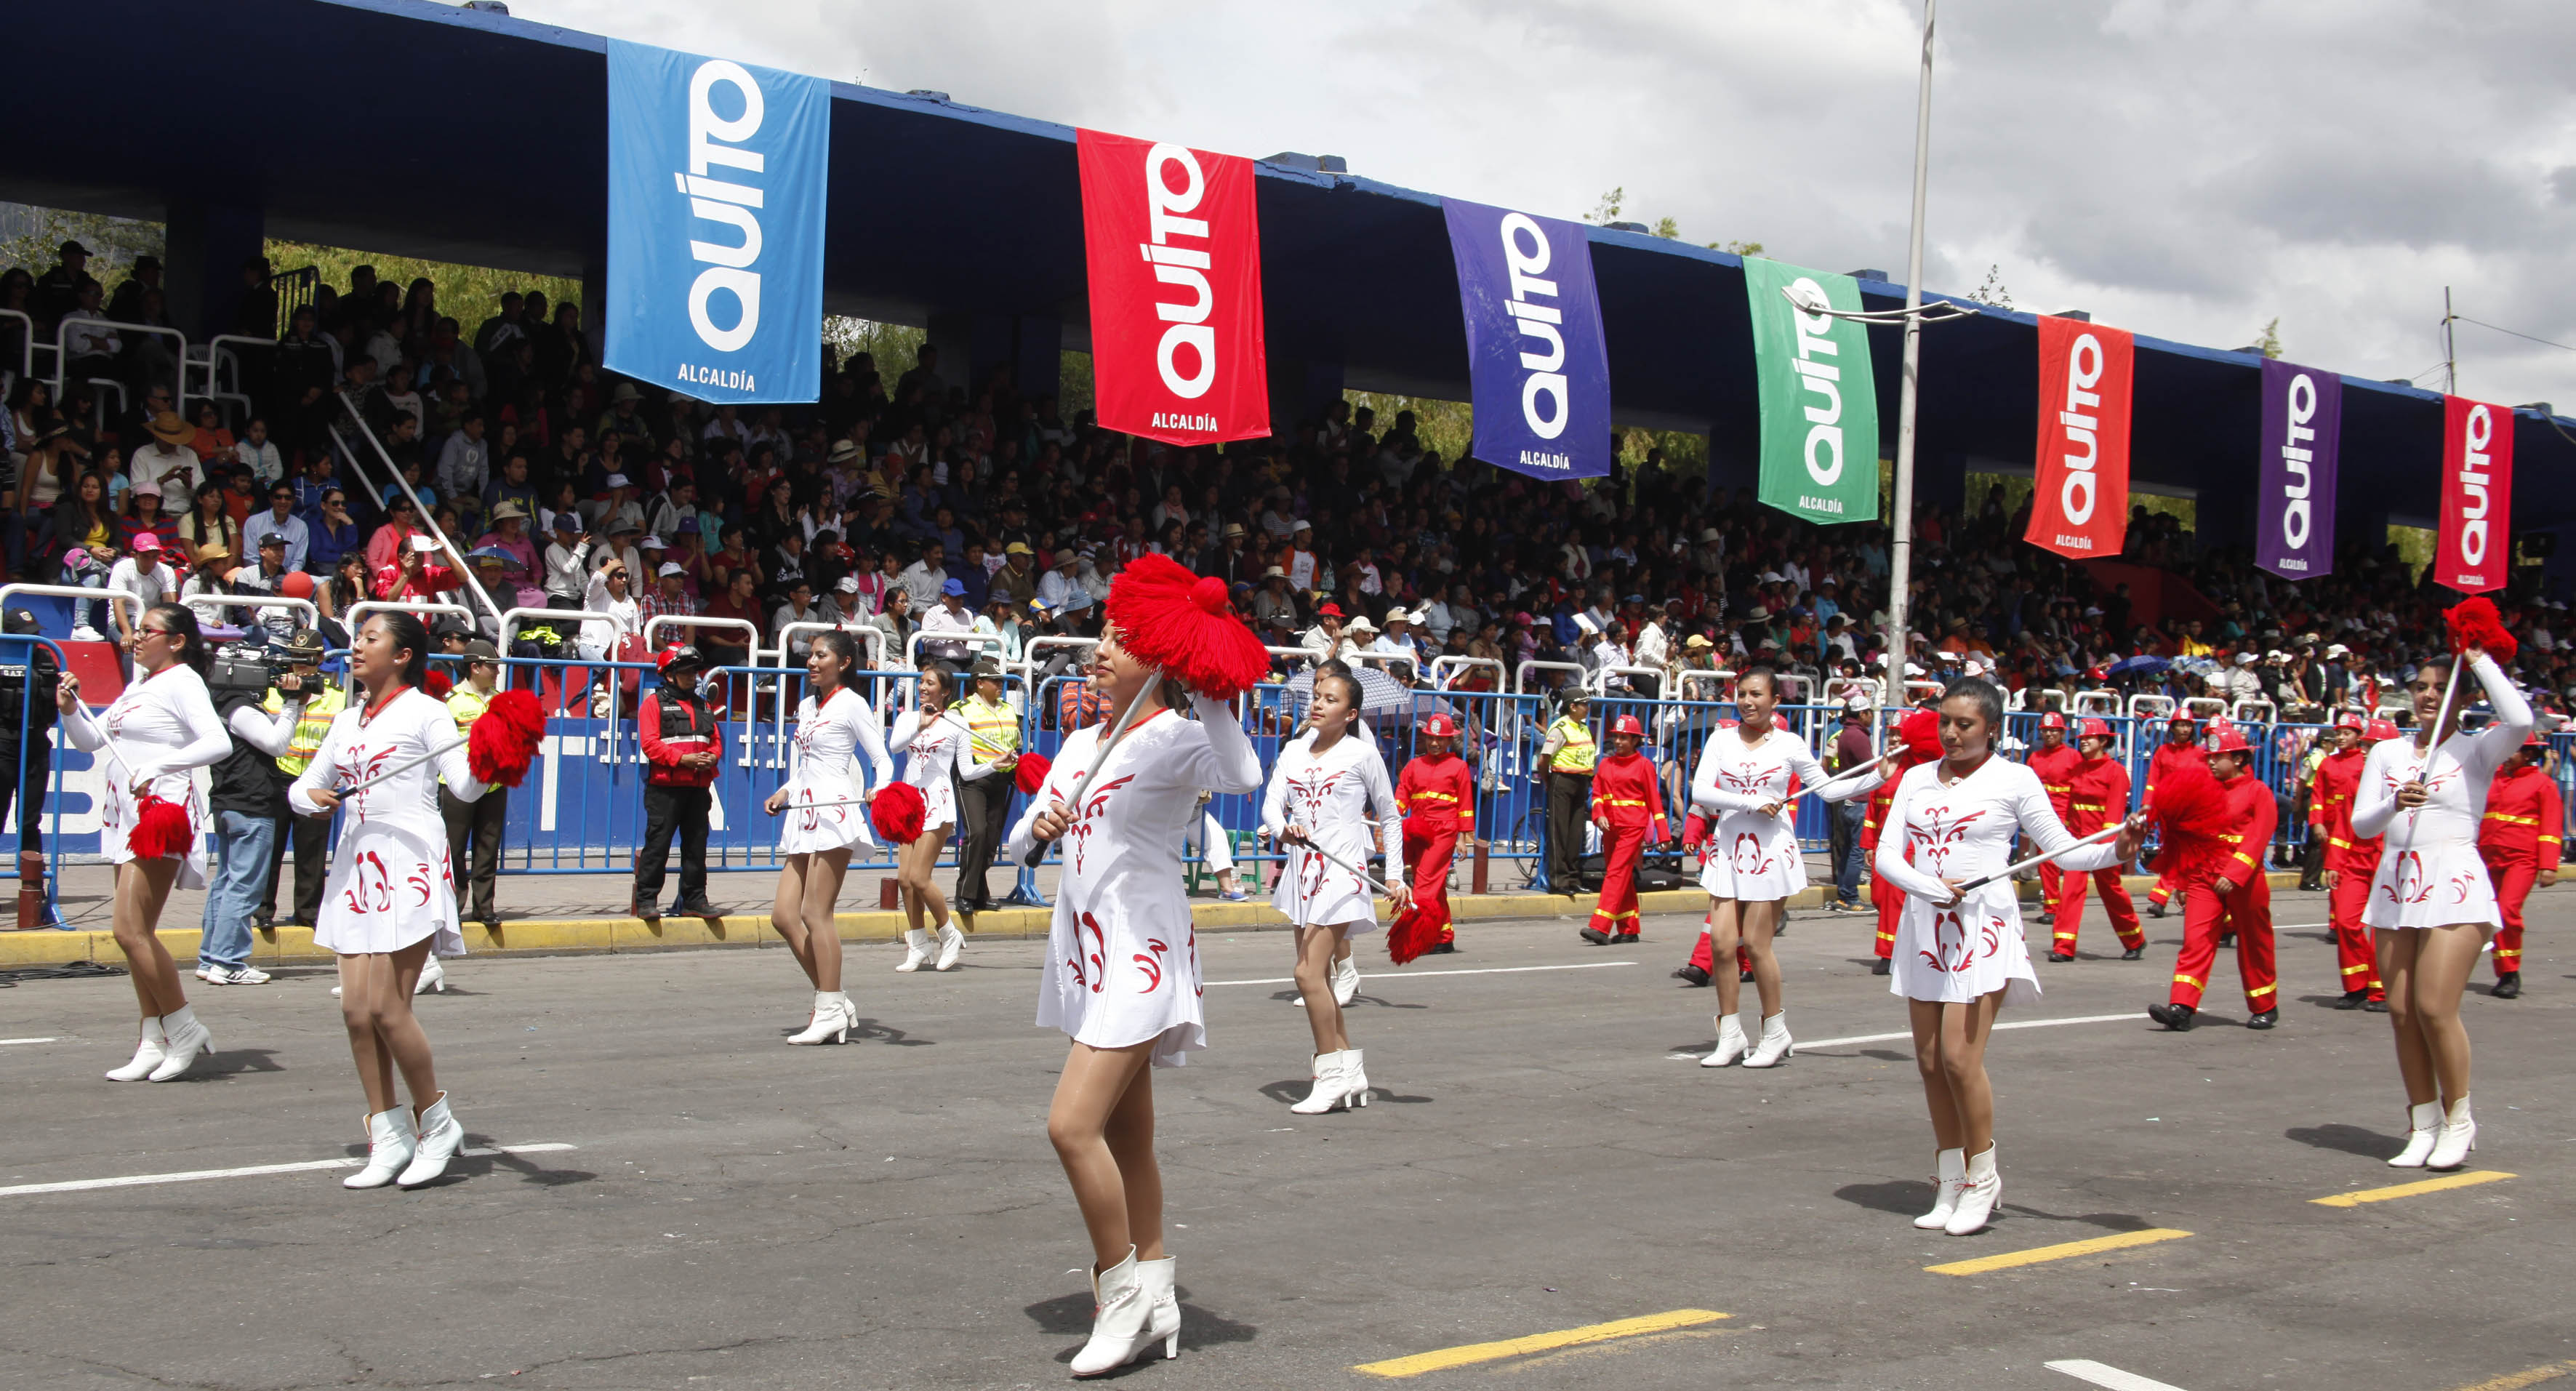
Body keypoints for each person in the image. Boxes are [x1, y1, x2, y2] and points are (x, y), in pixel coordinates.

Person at [1006, 627, 1261, 1376]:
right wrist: (1040, 824)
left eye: (1123, 641)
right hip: (1086, 950)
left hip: (1141, 951)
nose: (1102, 650)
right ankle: (1158, 1288)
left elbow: (1243, 772)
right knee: (1129, 1138)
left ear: (1161, 658)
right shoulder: (1083, 740)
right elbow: (1022, 842)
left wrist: (1214, 693)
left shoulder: (1179, 737)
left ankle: (1118, 1292)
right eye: (1101, 639)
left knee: (1069, 1125)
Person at [1874, 677, 2148, 1235]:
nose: (1950, 733)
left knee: (1958, 1058)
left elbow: (2066, 851)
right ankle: (1949, 1177)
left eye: (1964, 724)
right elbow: (1885, 855)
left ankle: (1983, 1174)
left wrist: (2118, 848)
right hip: (1926, 925)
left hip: (1983, 927)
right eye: (1945, 722)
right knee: (1927, 1062)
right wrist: (1928, 886)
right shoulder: (1915, 779)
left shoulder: (2015, 779)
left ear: (1992, 729)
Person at [291, 612, 495, 1189]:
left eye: (370, 638)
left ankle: (438, 1121)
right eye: (358, 637)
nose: (356, 646)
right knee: (355, 1010)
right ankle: (389, 1132)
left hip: (408, 862)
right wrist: (313, 796)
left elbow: (464, 786)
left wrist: (490, 752)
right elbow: (301, 784)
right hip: (356, 864)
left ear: (403, 654)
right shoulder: (348, 718)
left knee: (387, 1007)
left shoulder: (427, 712)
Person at [2351, 644, 2529, 1170]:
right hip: (2395, 882)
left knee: (2433, 1006)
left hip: (2453, 878)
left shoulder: (2476, 749)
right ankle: (2422, 1122)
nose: (2428, 695)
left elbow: (2519, 717)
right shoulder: (2386, 753)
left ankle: (2459, 1119)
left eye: (2438, 687)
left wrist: (2475, 658)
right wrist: (2393, 801)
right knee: (2402, 1012)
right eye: (2420, 687)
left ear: (2459, 698)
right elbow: (2362, 824)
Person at [57, 603, 233, 1082]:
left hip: (158, 817)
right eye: (136, 629)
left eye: (148, 630)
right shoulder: (140, 684)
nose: (137, 637)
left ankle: (183, 1024)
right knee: (138, 935)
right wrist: (72, 709)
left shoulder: (183, 681)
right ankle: (152, 1038)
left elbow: (218, 742)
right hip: (123, 817)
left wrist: (160, 766)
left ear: (175, 640)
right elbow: (91, 742)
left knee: (128, 930)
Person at [1692, 666, 1887, 1069]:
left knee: (1757, 943)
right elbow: (1701, 791)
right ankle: (1730, 1035)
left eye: (1757, 695)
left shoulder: (1790, 744)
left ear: (1775, 701)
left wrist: (1874, 780)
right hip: (1729, 846)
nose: (1748, 701)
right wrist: (1750, 802)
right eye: (1742, 693)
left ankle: (1775, 1031)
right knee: (1722, 944)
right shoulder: (1720, 739)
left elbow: (1829, 789)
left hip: (1770, 849)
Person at [1261, 661, 1406, 1114]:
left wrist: (1396, 875)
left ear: (1350, 714)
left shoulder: (1362, 755)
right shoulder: (1291, 752)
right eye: (1317, 697)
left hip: (1343, 874)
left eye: (1331, 700)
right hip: (1302, 874)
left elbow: (1390, 815)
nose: (1319, 704)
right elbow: (1270, 809)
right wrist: (1283, 830)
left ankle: (1327, 1073)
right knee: (1317, 978)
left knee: (1305, 975)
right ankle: (1349, 1069)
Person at [762, 630, 894, 1044]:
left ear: (844, 663)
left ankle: (829, 1004)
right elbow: (805, 764)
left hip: (834, 810)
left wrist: (879, 788)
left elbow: (882, 759)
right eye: (811, 655)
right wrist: (785, 789)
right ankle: (833, 996)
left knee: (815, 914)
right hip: (802, 811)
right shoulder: (806, 705)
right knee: (784, 915)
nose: (813, 662)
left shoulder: (853, 704)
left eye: (822, 656)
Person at [2147, 723, 2280, 1031]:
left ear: (2237, 759)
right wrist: (2181, 882)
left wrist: (2235, 873)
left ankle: (2264, 1005)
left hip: (2244, 880)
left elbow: (2259, 836)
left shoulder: (2258, 792)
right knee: (2195, 941)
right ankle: (2181, 1006)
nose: (2210, 761)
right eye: (2209, 756)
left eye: (2218, 756)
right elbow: (2192, 839)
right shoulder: (2204, 791)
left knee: (2254, 941)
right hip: (2203, 876)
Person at [888, 662, 987, 972]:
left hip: (938, 801)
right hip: (909, 800)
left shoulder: (957, 723)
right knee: (904, 880)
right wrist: (921, 724)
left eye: (930, 683)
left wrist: (995, 766)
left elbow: (967, 771)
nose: (923, 687)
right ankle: (918, 945)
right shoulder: (908, 718)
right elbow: (895, 747)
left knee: (919, 877)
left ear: (945, 691)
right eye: (921, 682)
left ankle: (949, 933)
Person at [633, 645, 723, 923]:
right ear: (669, 675)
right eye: (686, 672)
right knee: (658, 846)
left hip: (698, 788)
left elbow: (716, 741)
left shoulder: (703, 704)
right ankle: (647, 900)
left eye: (695, 671)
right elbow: (650, 744)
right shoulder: (653, 704)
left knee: (696, 847)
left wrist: (712, 758)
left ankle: (695, 900)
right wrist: (683, 759)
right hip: (665, 789)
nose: (693, 676)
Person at [262, 630, 344, 929]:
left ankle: (308, 915)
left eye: (308, 660)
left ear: (321, 659)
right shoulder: (273, 692)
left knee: (312, 854)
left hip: (315, 781)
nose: (301, 667)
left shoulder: (337, 696)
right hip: (278, 777)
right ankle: (262, 912)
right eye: (295, 659)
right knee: (269, 850)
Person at [2308, 712, 2388, 1010]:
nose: (2366, 752)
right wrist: (2333, 864)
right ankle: (2356, 986)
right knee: (2345, 921)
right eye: (2366, 746)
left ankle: (2381, 990)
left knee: (2383, 929)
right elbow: (2343, 826)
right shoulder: (2358, 782)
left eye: (2372, 746)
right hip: (2355, 859)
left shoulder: (2407, 789)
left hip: (2387, 863)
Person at [2050, 718, 2146, 961]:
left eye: (2088, 739)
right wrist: (2067, 836)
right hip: (2079, 842)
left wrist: (2108, 848)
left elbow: (2114, 814)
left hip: (2104, 843)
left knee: (2110, 890)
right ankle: (2063, 946)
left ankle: (2134, 939)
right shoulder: (2078, 769)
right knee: (2071, 890)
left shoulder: (2115, 772)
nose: (2083, 743)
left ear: (2103, 741)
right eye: (2081, 740)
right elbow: (2072, 806)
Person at [2476, 733, 2560, 1000]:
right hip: (2489, 856)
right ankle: (2503, 971)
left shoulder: (2542, 784)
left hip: (2522, 859)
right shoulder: (2491, 779)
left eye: (2511, 750)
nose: (2505, 754)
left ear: (2528, 754)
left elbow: (2550, 827)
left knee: (2507, 910)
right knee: (2490, 916)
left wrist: (2548, 866)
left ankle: (2510, 973)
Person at [1580, 714, 1669, 946]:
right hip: (1610, 826)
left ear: (1635, 741)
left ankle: (1600, 926)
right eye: (1617, 737)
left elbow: (1655, 803)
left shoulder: (1644, 766)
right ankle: (1629, 928)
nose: (1619, 742)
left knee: (1616, 873)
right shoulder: (1606, 764)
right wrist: (1598, 814)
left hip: (1633, 826)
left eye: (1624, 738)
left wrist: (1664, 834)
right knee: (1621, 875)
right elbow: (1598, 794)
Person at [440, 640, 508, 935]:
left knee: (487, 846)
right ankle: (453, 906)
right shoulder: (450, 701)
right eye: (491, 666)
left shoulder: (502, 700)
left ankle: (484, 907)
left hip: (493, 785)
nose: (496, 672)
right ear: (474, 667)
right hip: (457, 784)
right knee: (453, 849)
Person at [1395, 713, 1474, 955]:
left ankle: (1421, 936)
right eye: (1431, 738)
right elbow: (1402, 796)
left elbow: (1465, 805)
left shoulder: (1459, 767)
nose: (1435, 743)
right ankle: (1444, 936)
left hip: (1444, 831)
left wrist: (1463, 838)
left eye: (1441, 739)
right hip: (1419, 831)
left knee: (1426, 884)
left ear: (1450, 741)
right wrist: (1392, 819)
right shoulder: (1414, 765)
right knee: (1433, 885)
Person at [950, 656, 1020, 913]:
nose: (1000, 685)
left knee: (990, 840)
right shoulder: (960, 709)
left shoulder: (1007, 709)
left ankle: (980, 892)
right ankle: (965, 894)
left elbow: (1016, 740)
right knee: (976, 833)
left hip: (1002, 779)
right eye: (995, 681)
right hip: (973, 778)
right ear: (980, 684)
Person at [0, 612, 63, 872]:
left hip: (36, 744)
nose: (35, 639)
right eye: (28, 634)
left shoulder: (47, 658)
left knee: (29, 820)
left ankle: (32, 887)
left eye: (36, 633)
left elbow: (57, 706)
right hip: (3, 744)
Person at [2022, 712, 2082, 937]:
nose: (2049, 734)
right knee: (2045, 861)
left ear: (2062, 733)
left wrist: (2071, 818)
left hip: (2065, 813)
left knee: (2064, 862)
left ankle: (2061, 906)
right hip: (2040, 814)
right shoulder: (2035, 758)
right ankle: (2052, 905)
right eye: (2045, 731)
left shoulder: (2073, 756)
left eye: (2053, 730)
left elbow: (2078, 788)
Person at [2141, 715, 2204, 917]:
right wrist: (2147, 805)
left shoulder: (2200, 753)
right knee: (2177, 854)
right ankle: (2187, 897)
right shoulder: (2163, 752)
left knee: (2181, 853)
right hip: (2168, 810)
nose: (2185, 729)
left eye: (2188, 725)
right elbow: (2153, 781)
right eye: (2181, 725)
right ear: (2173, 728)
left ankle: (2161, 897)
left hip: (2192, 810)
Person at [1536, 689, 1595, 894]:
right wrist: (1548, 781)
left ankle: (1572, 879)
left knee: (1575, 833)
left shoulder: (1583, 728)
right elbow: (1543, 760)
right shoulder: (1560, 728)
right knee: (1559, 832)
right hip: (1563, 780)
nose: (1587, 708)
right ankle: (1558, 881)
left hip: (1582, 781)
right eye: (1584, 704)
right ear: (1572, 706)